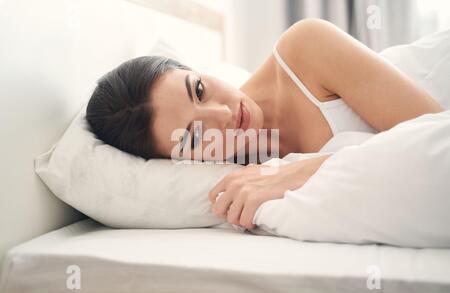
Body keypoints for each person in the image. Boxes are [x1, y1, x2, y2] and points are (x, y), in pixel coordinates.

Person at [86, 19, 444, 230]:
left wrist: (302, 171)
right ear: (184, 161)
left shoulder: (306, 46)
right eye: (195, 136)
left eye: (199, 89)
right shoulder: (245, 174)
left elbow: (435, 135)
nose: (223, 115)